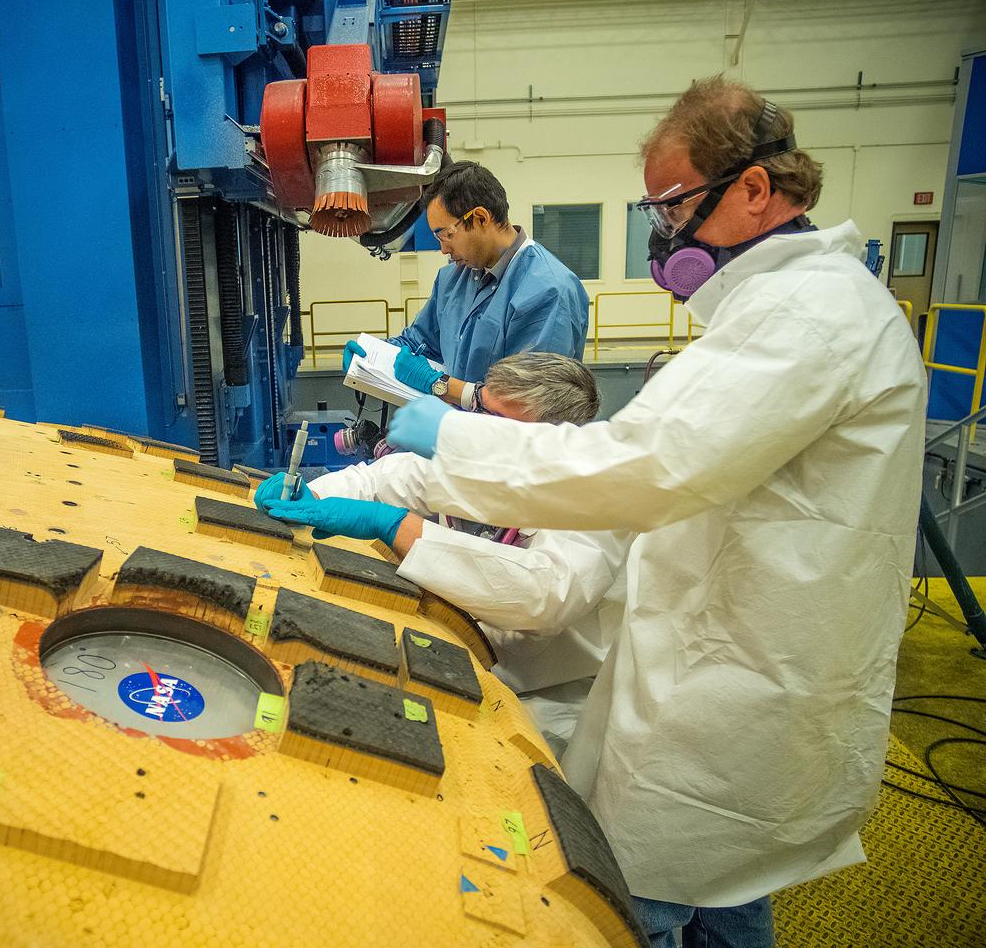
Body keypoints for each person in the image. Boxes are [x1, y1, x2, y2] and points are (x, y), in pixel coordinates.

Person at [383, 76, 927, 947]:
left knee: (650, 889)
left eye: (673, 206)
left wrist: (457, 437)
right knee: (728, 883)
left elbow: (646, 465)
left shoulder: (809, 314)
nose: (664, 233)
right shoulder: (782, 308)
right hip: (727, 657)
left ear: (755, 189)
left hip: (741, 675)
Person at [258, 353, 632, 755]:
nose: (475, 428)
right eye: (480, 410)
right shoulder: (475, 459)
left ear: (545, 443)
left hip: (540, 692)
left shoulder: (598, 499)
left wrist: (397, 527)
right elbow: (385, 479)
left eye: (498, 423)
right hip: (450, 650)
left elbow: (543, 595)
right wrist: (312, 494)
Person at [342, 161, 589, 412]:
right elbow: (419, 341)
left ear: (480, 218)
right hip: (459, 430)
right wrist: (371, 355)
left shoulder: (549, 291)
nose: (443, 249)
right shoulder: (452, 279)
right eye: (438, 238)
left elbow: (530, 406)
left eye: (447, 235)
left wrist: (438, 384)